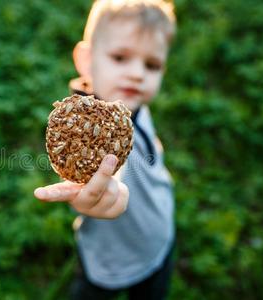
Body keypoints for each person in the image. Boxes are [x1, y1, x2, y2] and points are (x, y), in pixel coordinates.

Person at [34, 0, 177, 298]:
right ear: (87, 60)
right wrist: (102, 197)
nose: (138, 74)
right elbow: (110, 179)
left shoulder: (132, 105)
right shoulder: (88, 137)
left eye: (151, 65)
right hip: (108, 263)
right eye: (120, 57)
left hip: (159, 242)